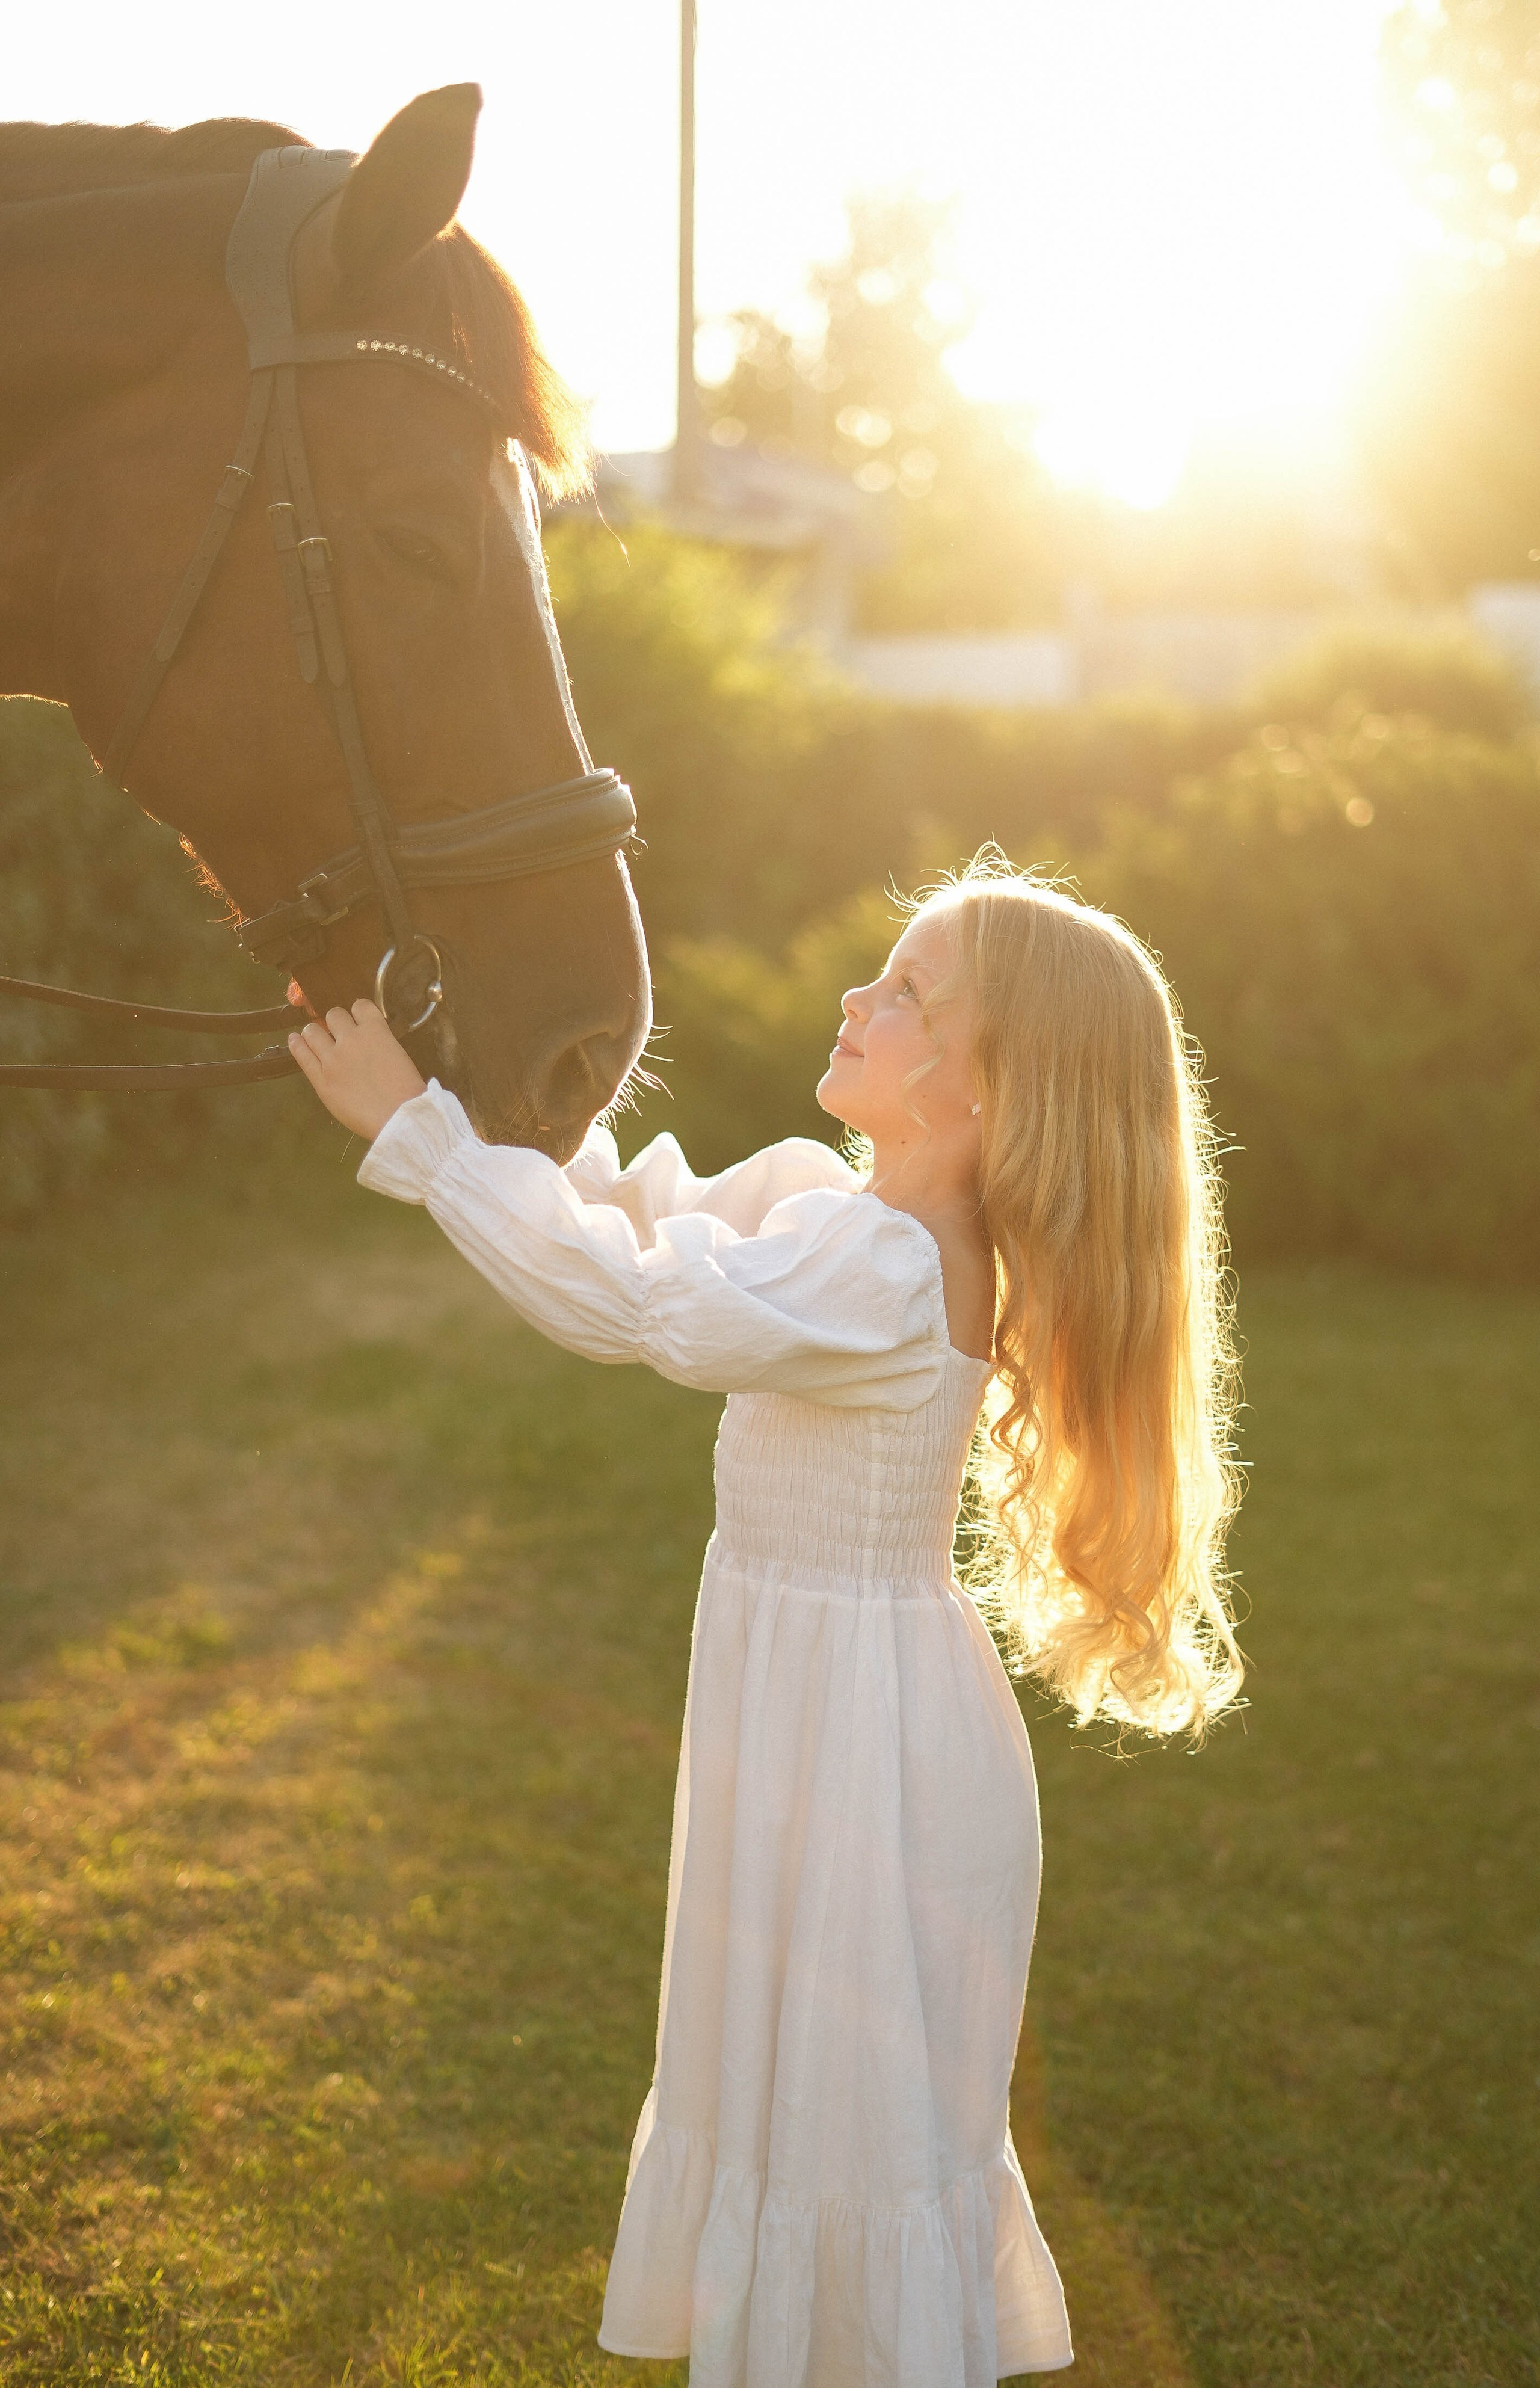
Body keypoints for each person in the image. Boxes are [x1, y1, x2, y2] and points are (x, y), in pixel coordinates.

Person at [289, 854, 1243, 2387]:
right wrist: (486, 1077)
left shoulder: (881, 1266)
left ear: (990, 1086)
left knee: (843, 2123)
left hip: (863, 1758)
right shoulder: (831, 1211)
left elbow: (631, 1300)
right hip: (824, 1715)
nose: (858, 996)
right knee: (798, 2100)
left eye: (908, 992)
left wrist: (415, 1134)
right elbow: (637, 1210)